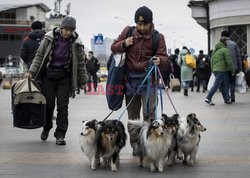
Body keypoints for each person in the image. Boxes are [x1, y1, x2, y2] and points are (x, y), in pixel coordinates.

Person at [111, 6, 168, 154]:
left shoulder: (158, 37)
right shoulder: (128, 31)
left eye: (144, 24)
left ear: (151, 23)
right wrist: (125, 43)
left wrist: (159, 61)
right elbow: (114, 47)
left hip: (150, 83)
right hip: (130, 82)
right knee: (133, 118)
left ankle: (148, 145)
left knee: (149, 116)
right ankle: (136, 145)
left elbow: (165, 58)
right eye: (138, 24)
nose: (141, 27)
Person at [27, 16, 88, 145]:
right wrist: (31, 72)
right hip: (48, 76)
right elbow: (39, 56)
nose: (68, 33)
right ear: (61, 28)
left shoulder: (76, 43)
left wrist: (83, 80)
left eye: (71, 30)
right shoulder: (49, 38)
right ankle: (47, 127)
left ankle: (60, 135)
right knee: (49, 106)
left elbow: (80, 63)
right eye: (66, 29)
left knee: (63, 107)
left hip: (64, 77)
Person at [205, 37, 235, 105]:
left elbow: (211, 61)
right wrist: (232, 70)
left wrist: (212, 70)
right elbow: (229, 61)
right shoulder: (225, 50)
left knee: (222, 86)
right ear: (224, 41)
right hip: (222, 70)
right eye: (227, 40)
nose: (227, 42)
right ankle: (208, 98)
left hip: (215, 70)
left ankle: (226, 99)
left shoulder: (215, 50)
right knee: (217, 84)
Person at [221, 30, 242, 103]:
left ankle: (227, 97)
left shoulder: (220, 44)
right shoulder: (234, 44)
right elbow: (238, 57)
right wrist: (240, 68)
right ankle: (232, 96)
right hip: (234, 67)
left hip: (224, 67)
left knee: (226, 82)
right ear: (229, 36)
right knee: (232, 82)